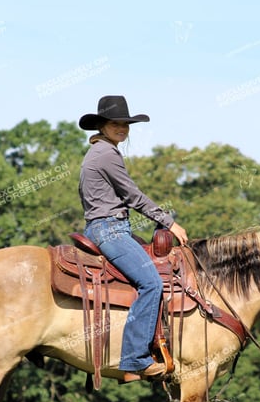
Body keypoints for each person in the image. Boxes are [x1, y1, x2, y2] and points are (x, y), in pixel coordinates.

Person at [78, 95, 188, 378]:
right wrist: (169, 223)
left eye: (126, 124)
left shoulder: (100, 151)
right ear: (102, 125)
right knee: (151, 282)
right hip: (109, 229)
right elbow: (132, 195)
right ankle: (135, 358)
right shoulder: (106, 153)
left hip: (109, 226)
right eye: (116, 123)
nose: (123, 128)